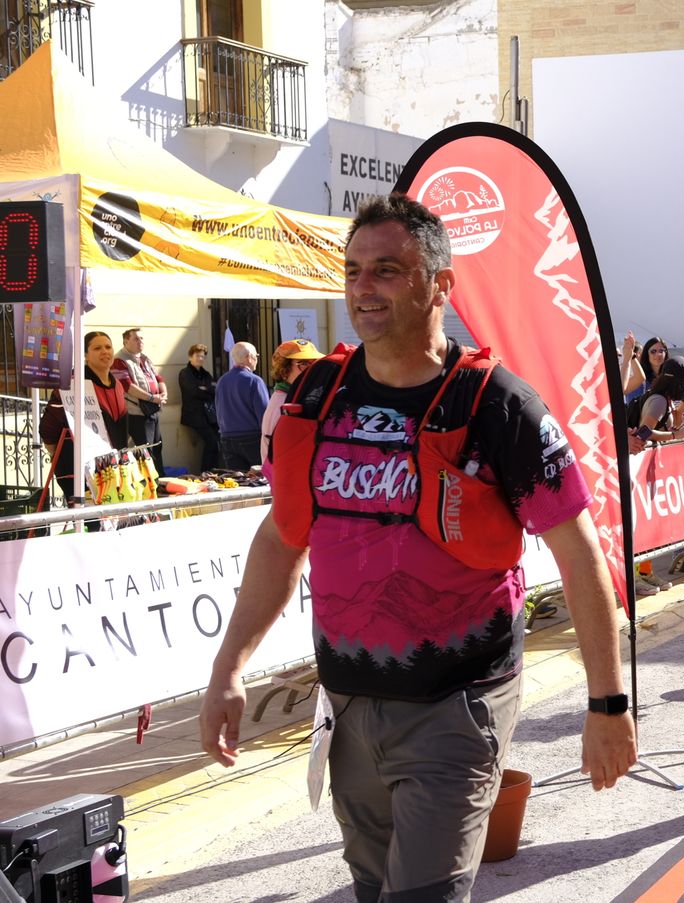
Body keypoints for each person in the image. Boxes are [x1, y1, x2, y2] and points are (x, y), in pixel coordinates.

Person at [198, 194, 636, 903]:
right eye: (354, 270)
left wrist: (608, 703)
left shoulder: (499, 406)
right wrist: (229, 666)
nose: (364, 289)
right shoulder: (315, 394)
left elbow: (581, 554)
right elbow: (282, 541)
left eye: (388, 271)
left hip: (455, 706)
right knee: (374, 891)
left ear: (440, 284)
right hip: (346, 706)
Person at [39, 331, 130, 500]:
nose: (105, 351)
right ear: (85, 355)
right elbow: (47, 428)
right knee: (90, 523)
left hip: (111, 469)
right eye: (97, 348)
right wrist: (56, 455)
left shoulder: (116, 384)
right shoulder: (73, 384)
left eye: (108, 347)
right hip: (77, 471)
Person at [260, 338, 325, 464]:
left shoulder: (296, 396)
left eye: (314, 363)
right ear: (284, 369)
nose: (310, 369)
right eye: (304, 363)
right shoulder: (283, 401)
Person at [114, 327, 167, 475]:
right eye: (136, 339)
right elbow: (127, 386)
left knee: (157, 448)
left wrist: (163, 393)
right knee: (145, 452)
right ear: (126, 341)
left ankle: (159, 481)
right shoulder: (119, 360)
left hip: (153, 410)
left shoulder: (145, 358)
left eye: (142, 338)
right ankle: (148, 485)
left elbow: (158, 378)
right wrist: (152, 398)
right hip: (137, 413)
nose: (140, 342)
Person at [215, 342, 268, 469]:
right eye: (256, 355)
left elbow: (218, 411)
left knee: (238, 484)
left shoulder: (222, 381)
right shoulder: (254, 381)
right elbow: (265, 416)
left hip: (227, 438)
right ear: (249, 357)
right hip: (252, 438)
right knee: (260, 481)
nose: (257, 359)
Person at [627, 355, 684, 453]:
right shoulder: (659, 401)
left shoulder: (665, 398)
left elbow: (676, 421)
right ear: (681, 381)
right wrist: (676, 435)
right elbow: (644, 432)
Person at [178, 343, 222, 473]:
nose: (200, 359)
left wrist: (206, 389)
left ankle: (213, 470)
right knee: (212, 442)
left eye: (203, 357)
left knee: (217, 443)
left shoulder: (206, 374)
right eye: (197, 356)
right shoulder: (185, 373)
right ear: (190, 357)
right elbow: (193, 392)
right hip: (195, 415)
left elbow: (215, 390)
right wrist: (207, 390)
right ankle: (206, 472)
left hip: (209, 415)